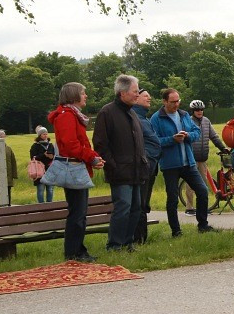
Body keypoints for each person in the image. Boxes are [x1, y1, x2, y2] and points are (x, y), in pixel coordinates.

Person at [49, 82, 104, 262]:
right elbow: (71, 145)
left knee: (80, 212)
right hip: (73, 169)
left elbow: (80, 144)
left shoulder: (72, 115)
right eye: (83, 93)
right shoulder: (66, 116)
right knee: (77, 213)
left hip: (78, 167)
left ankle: (78, 250)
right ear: (74, 95)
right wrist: (91, 157)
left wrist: (93, 156)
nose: (86, 95)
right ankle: (74, 253)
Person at [92, 74, 147, 252]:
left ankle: (127, 242)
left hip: (136, 171)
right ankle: (114, 244)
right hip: (120, 172)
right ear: (122, 93)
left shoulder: (132, 113)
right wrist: (112, 165)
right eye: (135, 91)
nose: (137, 94)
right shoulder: (107, 113)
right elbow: (100, 143)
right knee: (123, 208)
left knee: (136, 209)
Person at [150, 88, 216, 236]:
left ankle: (203, 225)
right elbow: (154, 141)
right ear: (164, 101)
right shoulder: (156, 118)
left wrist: (187, 136)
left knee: (202, 191)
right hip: (170, 165)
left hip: (189, 163)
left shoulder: (184, 115)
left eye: (178, 101)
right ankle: (176, 231)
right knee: (172, 198)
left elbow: (196, 132)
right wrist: (171, 139)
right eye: (173, 102)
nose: (176, 104)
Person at [183, 99, 229, 215]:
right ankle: (189, 208)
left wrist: (222, 148)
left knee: (203, 184)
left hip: (203, 158)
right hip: (191, 158)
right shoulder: (187, 122)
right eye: (197, 110)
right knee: (190, 184)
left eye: (201, 110)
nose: (199, 112)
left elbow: (213, 136)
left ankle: (202, 208)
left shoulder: (206, 121)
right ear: (193, 111)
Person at [130, 89, 161, 245]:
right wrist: (147, 160)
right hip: (144, 167)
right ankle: (139, 240)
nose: (149, 97)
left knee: (143, 204)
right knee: (140, 205)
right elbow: (149, 144)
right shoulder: (135, 118)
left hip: (150, 167)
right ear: (135, 99)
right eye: (145, 95)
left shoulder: (143, 118)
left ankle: (142, 239)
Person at [29, 126, 56, 203]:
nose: (45, 135)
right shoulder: (35, 146)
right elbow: (33, 158)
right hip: (39, 171)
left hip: (50, 170)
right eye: (43, 134)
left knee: (50, 189)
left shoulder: (50, 145)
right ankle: (41, 206)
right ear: (40, 135)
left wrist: (51, 156)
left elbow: (53, 156)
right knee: (40, 190)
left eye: (46, 134)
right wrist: (44, 155)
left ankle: (49, 205)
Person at [0, 130, 17, 206]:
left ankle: (9, 205)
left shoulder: (8, 149)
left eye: (3, 136)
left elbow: (13, 162)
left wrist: (14, 175)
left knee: (8, 191)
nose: (2, 137)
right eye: (0, 136)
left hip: (8, 175)